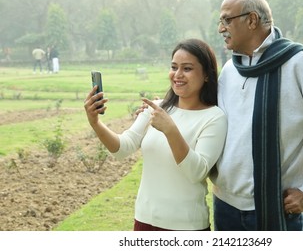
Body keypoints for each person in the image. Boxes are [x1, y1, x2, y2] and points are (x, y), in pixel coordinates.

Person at [209, 0, 303, 231]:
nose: (221, 28)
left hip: (275, 209)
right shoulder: (229, 70)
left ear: (252, 20)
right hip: (225, 207)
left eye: (226, 20)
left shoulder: (298, 64)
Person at [84, 38, 227, 231]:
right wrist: (95, 122)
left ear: (207, 75)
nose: (177, 75)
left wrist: (170, 130)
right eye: (174, 67)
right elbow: (122, 148)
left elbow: (197, 172)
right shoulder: (156, 108)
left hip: (186, 226)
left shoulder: (214, 117)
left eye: (187, 68)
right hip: (144, 220)